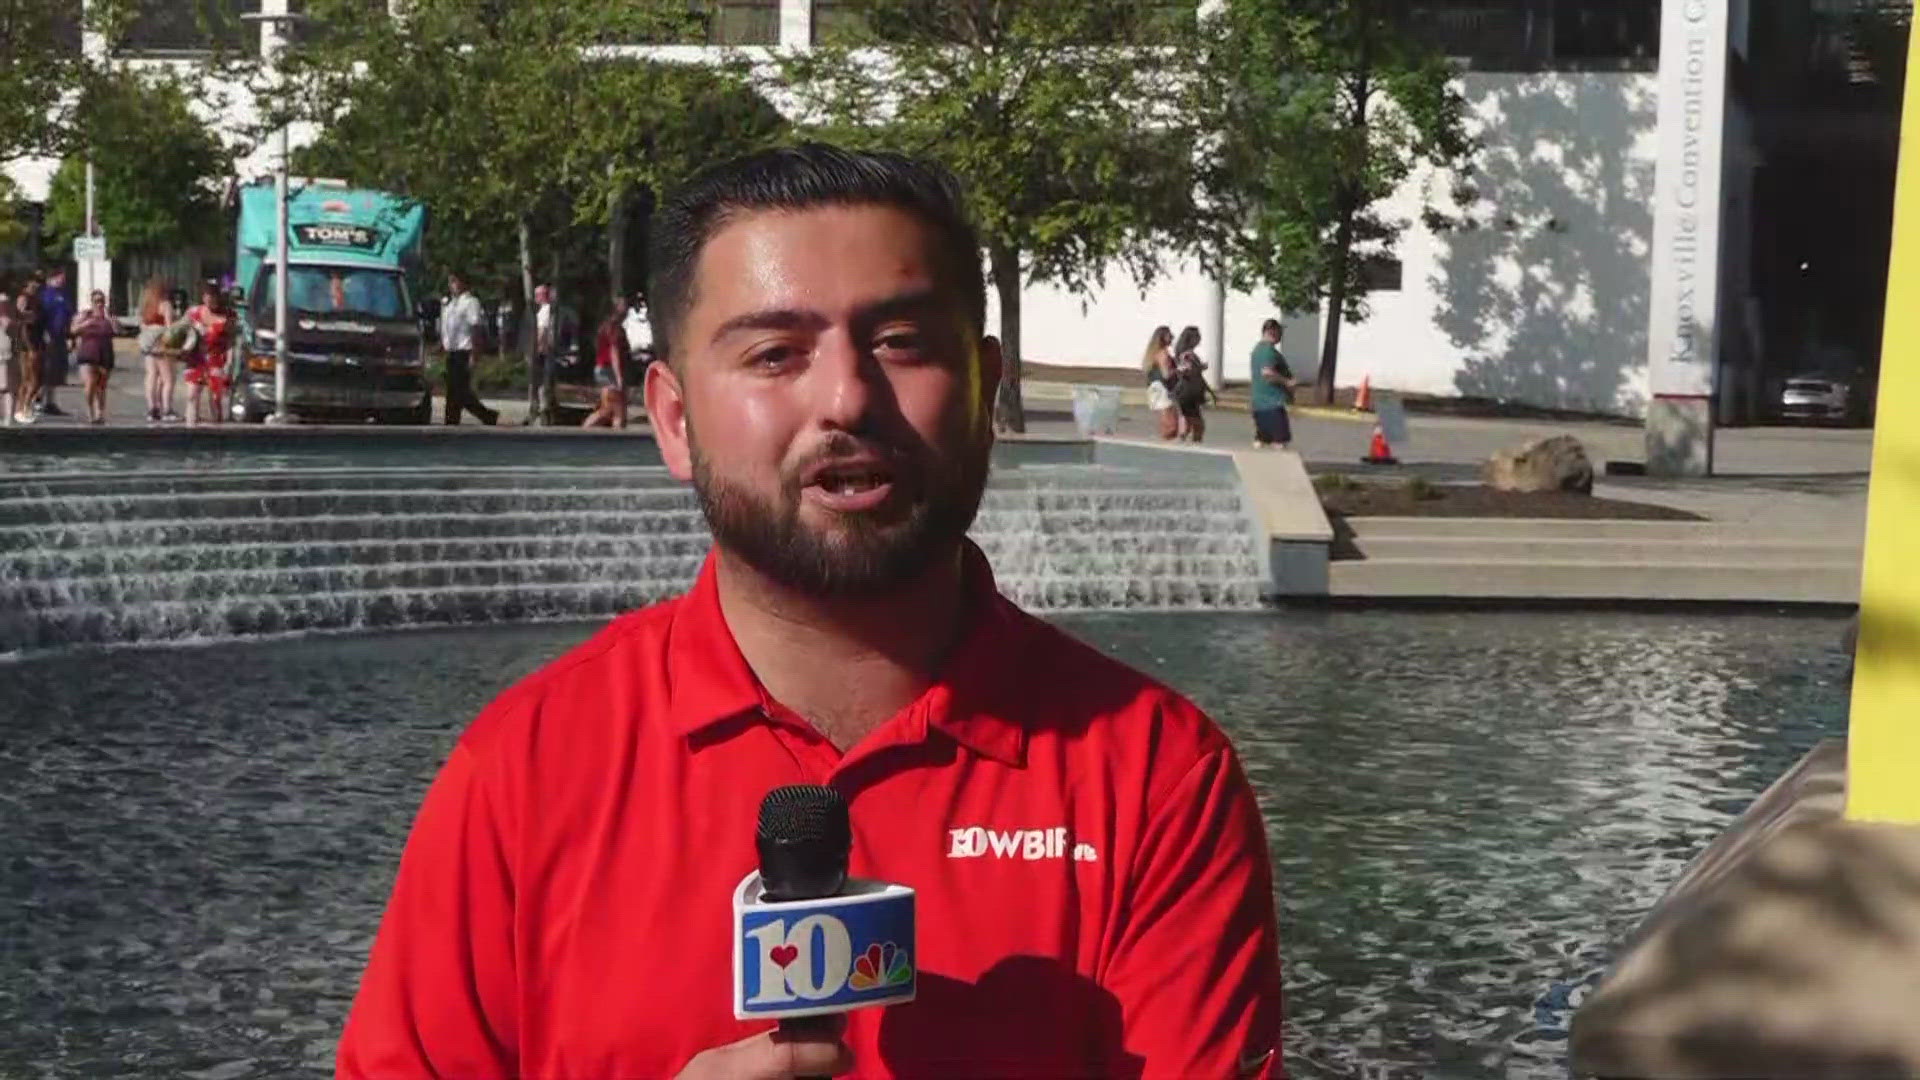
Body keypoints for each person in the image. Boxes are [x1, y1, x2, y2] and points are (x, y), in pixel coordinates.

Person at [336, 143, 1283, 1079]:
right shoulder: (524, 772)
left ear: (986, 388)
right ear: (673, 418)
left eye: (902, 343)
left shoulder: (1157, 780)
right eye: (776, 352)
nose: (847, 397)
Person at [437, 273, 499, 426]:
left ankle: (486, 416)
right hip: (452, 351)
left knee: (459, 390)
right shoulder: (451, 304)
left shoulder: (471, 302)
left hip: (464, 351)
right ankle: (453, 420)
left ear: (464, 283)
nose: (452, 285)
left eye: (455, 281)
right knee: (454, 390)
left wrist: (475, 354)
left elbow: (475, 328)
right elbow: (448, 329)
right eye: (450, 282)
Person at [182, 282, 233, 426]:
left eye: (213, 298)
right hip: (195, 358)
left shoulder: (227, 317)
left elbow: (231, 342)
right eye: (206, 297)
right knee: (192, 395)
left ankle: (216, 429)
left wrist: (229, 363)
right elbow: (179, 330)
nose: (210, 301)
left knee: (215, 398)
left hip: (216, 359)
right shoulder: (193, 313)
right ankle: (190, 428)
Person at [69, 288, 117, 425]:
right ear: (91, 302)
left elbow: (118, 330)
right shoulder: (85, 315)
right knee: (90, 384)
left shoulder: (108, 317)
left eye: (102, 301)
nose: (100, 304)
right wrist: (85, 323)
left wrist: (111, 320)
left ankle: (99, 412)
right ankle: (89, 410)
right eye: (97, 301)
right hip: (88, 353)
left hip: (105, 353)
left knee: (101, 386)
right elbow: (73, 330)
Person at [583, 293, 631, 428]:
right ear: (616, 309)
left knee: (608, 408)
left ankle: (585, 430)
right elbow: (614, 351)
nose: (627, 309)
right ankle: (618, 440)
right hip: (610, 370)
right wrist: (619, 377)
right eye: (623, 306)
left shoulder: (605, 326)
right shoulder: (614, 328)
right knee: (618, 410)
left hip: (602, 368)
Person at [1249, 318, 1297, 450]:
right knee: (1279, 442)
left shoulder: (1257, 350)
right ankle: (1279, 468)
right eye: (1279, 331)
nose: (1281, 334)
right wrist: (1287, 382)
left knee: (1262, 440)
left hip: (1259, 404)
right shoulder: (1268, 351)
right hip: (1272, 404)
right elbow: (1267, 373)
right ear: (1271, 331)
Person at [137, 278, 180, 424]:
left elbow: (142, 326)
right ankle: (167, 409)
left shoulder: (146, 306)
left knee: (151, 376)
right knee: (168, 379)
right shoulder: (165, 304)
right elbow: (170, 328)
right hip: (163, 344)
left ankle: (152, 408)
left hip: (149, 345)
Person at [1170, 324, 1215, 442]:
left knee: (1190, 420)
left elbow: (1194, 373)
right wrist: (1197, 368)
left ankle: (1186, 440)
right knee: (1194, 422)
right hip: (1188, 391)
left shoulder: (1186, 354)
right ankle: (1188, 441)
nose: (1199, 339)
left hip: (1190, 390)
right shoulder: (1187, 355)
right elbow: (1185, 370)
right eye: (1197, 337)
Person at [39, 266, 72, 418]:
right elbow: (41, 316)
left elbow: (69, 316)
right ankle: (37, 399)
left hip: (60, 337)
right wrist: (44, 333)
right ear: (51, 278)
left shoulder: (64, 295)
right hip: (47, 337)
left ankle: (50, 402)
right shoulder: (45, 295)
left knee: (55, 371)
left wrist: (71, 337)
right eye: (60, 277)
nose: (62, 280)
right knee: (44, 369)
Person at [14, 275, 44, 424]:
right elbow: (22, 323)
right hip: (28, 343)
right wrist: (30, 347)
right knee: (30, 379)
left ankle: (24, 407)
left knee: (34, 379)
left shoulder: (37, 300)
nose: (36, 285)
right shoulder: (24, 298)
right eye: (33, 283)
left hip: (37, 340)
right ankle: (22, 408)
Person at [1140, 324, 1179, 440]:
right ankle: (1167, 440)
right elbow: (1166, 374)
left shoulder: (1153, 354)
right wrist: (1179, 371)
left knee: (1165, 418)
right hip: (1163, 387)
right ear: (1162, 338)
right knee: (1170, 420)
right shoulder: (1163, 354)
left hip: (1154, 387)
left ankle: (1165, 439)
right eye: (1169, 335)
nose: (1172, 337)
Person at [0, 291, 16, 427]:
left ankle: (8, 417)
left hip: (3, 354)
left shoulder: (7, 319)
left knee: (5, 387)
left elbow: (8, 326)